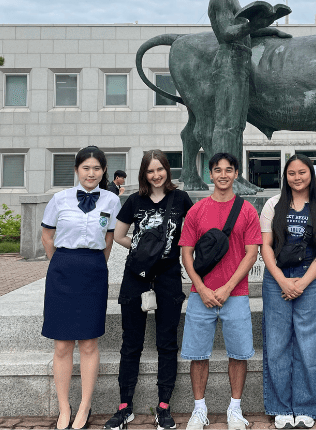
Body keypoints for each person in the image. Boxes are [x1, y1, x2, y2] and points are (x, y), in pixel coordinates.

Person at [104, 151, 194, 430]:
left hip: (168, 277)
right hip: (136, 276)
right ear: (144, 174)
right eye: (150, 171)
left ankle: (164, 406)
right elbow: (118, 235)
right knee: (131, 344)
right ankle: (124, 406)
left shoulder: (181, 199)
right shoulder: (134, 201)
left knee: (166, 343)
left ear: (167, 170)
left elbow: (191, 235)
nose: (156, 175)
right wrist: (143, 249)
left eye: (161, 169)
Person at [179, 152, 263, 430]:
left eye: (229, 170)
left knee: (239, 354)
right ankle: (199, 409)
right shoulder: (197, 210)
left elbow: (251, 254)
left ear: (236, 174)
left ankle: (235, 409)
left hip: (235, 294)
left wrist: (227, 287)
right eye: (217, 170)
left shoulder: (247, 210)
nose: (223, 175)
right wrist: (201, 288)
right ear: (210, 175)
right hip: (200, 294)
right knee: (198, 355)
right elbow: (186, 254)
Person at [40, 146, 121, 430]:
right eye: (86, 168)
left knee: (88, 342)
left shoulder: (111, 200)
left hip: (93, 270)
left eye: (96, 168)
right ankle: (64, 408)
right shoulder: (59, 199)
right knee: (62, 343)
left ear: (103, 171)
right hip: (62, 269)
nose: (91, 173)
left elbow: (109, 240)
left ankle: (85, 406)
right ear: (77, 170)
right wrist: (61, 263)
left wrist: (95, 265)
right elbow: (47, 236)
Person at [259, 154, 316, 429]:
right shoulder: (272, 205)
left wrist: (302, 282)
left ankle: (306, 406)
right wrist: (281, 280)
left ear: (310, 175)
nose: (297, 177)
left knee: (309, 343)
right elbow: (265, 246)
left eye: (302, 172)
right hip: (277, 277)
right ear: (285, 177)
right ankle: (280, 407)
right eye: (292, 173)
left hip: (310, 277)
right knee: (277, 342)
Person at [207, 0, 291, 194]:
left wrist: (270, 29)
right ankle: (226, 180)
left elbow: (241, 31)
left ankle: (237, 176)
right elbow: (225, 33)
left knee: (237, 126)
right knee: (226, 125)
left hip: (240, 63)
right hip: (228, 64)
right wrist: (254, 24)